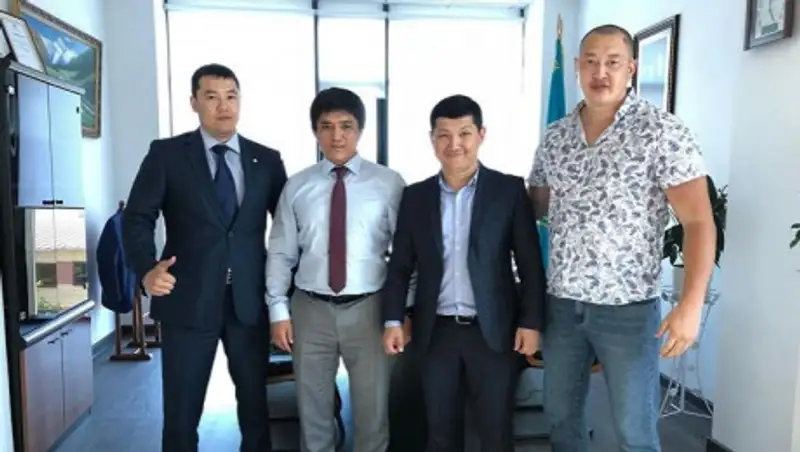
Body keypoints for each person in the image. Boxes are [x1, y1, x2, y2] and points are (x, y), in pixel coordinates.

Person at [528, 25, 716, 452]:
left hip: (628, 311)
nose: (601, 72)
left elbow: (699, 222)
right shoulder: (555, 137)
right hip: (562, 307)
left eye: (612, 62)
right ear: (576, 67)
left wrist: (690, 305)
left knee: (635, 432)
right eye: (591, 61)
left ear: (631, 68)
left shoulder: (662, 132)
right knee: (560, 419)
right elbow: (531, 210)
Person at [123, 63, 288, 452]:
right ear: (194, 102)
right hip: (187, 300)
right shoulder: (167, 155)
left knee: (256, 409)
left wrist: (286, 296)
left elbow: (288, 229)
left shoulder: (266, 159)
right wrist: (146, 270)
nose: (223, 106)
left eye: (231, 96)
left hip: (248, 303)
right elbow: (137, 218)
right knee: (181, 413)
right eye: (212, 97)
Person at [382, 94, 546, 452]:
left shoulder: (508, 191)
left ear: (481, 135)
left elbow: (531, 264)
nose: (454, 144)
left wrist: (531, 322)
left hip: (494, 332)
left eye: (464, 134)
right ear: (432, 139)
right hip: (435, 332)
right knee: (440, 432)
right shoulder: (415, 197)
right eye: (444, 135)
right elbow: (400, 266)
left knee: (495, 431)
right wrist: (393, 319)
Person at [266, 87, 406, 452]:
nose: (337, 135)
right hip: (310, 310)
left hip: (370, 310)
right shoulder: (297, 186)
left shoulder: (388, 183)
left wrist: (402, 312)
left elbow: (407, 255)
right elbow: (280, 251)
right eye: (326, 126)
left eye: (346, 126)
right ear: (315, 131)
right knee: (313, 413)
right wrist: (278, 310)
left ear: (360, 130)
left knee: (373, 415)